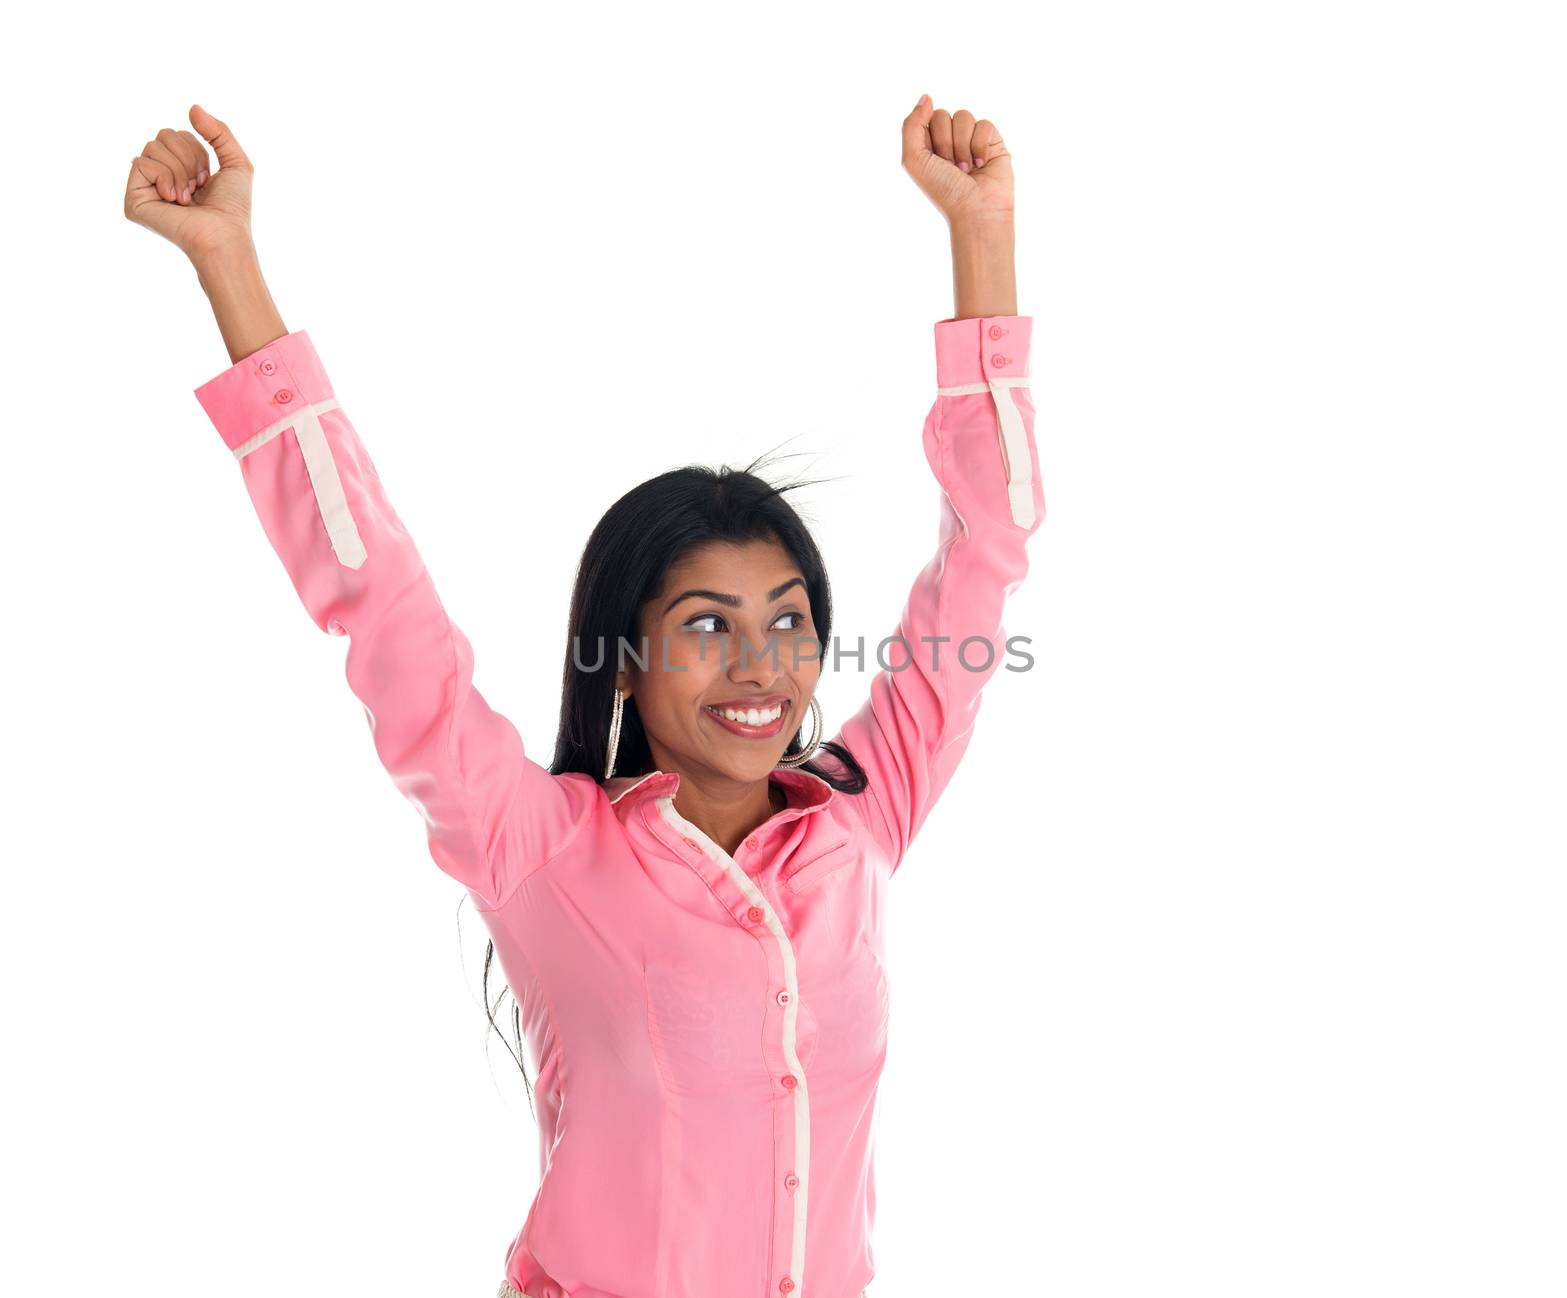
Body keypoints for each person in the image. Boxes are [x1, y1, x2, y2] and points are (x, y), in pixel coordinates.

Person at [124, 93, 1045, 1298]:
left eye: (788, 622)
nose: (760, 664)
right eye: (706, 627)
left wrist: (983, 239)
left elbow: (986, 553)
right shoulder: (539, 847)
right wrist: (231, 267)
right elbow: (381, 603)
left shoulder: (859, 816)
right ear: (623, 652)